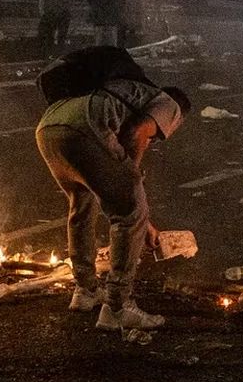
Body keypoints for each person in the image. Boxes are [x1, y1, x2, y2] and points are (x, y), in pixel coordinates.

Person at [35, 65, 190, 331]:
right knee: (129, 213)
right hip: (86, 124)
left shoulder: (129, 94)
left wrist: (141, 215)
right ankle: (117, 307)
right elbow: (139, 133)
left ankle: (85, 291)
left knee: (82, 203)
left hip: (49, 126)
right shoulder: (170, 105)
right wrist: (132, 179)